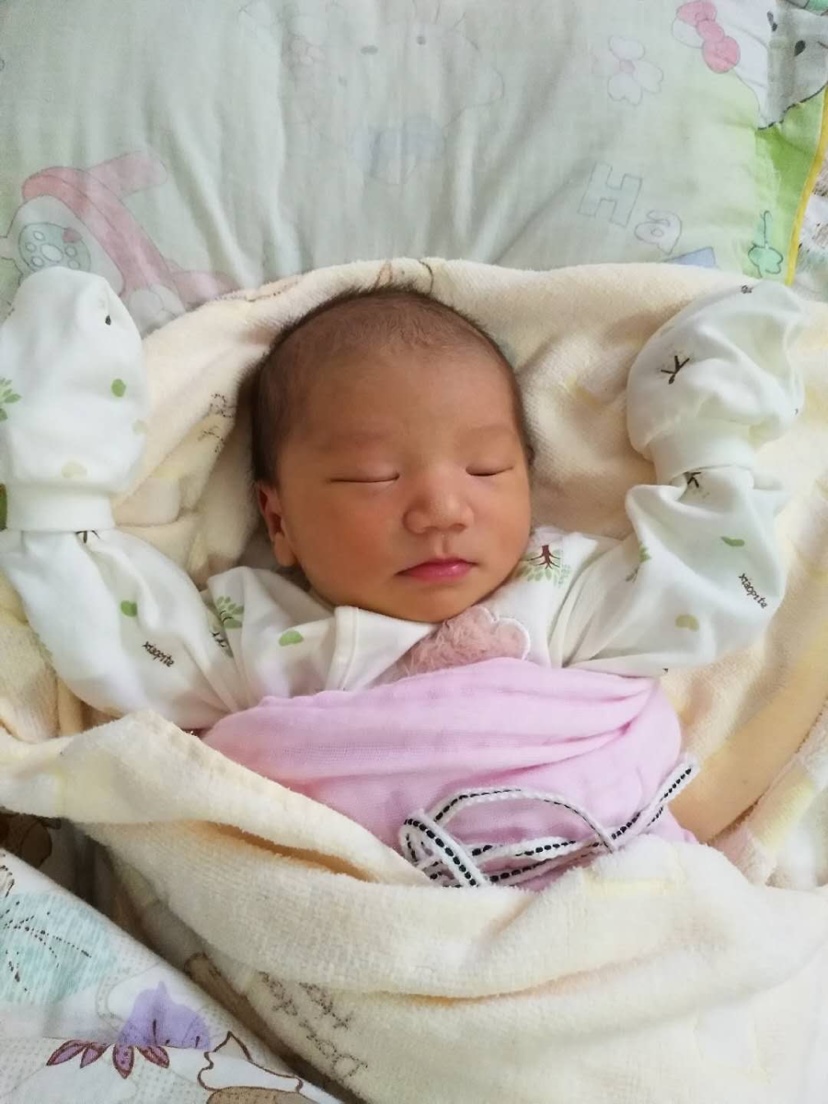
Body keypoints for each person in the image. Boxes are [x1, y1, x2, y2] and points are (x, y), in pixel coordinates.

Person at [0, 268, 804, 885]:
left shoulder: (558, 591)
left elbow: (711, 582)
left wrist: (704, 437)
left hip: (595, 898)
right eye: (372, 477)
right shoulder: (255, 632)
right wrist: (58, 490)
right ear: (278, 522)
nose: (442, 510)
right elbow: (114, 639)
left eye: (486, 470)